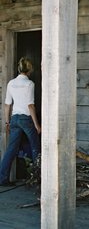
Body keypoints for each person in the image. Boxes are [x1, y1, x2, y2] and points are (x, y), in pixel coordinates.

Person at [1, 57, 41, 186]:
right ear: (29, 69)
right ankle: (38, 179)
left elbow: (7, 104)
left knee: (11, 149)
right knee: (35, 147)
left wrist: (7, 122)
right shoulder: (29, 84)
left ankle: (2, 179)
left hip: (14, 119)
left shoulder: (11, 83)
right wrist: (37, 125)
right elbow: (30, 105)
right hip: (26, 118)